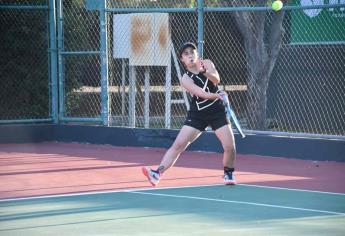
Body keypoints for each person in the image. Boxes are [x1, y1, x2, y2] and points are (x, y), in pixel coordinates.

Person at [142, 42, 236, 186]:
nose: (190, 55)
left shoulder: (207, 63)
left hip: (217, 111)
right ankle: (157, 173)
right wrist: (217, 95)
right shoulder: (185, 79)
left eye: (192, 52)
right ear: (182, 60)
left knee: (230, 146)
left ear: (197, 54)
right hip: (198, 114)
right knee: (179, 144)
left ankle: (228, 174)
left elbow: (216, 79)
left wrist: (204, 71)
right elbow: (202, 94)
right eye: (186, 54)